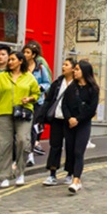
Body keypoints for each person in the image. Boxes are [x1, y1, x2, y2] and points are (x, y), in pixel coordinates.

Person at [0, 49, 40, 188]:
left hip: (23, 112)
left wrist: (30, 98)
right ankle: (4, 175)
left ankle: (20, 172)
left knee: (22, 140)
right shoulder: (2, 77)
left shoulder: (29, 77)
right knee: (2, 145)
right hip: (2, 113)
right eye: (9, 60)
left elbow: (36, 94)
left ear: (21, 61)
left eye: (12, 59)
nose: (9, 62)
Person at [61, 60, 99, 193]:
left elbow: (91, 109)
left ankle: (76, 180)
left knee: (78, 151)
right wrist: (69, 118)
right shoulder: (71, 87)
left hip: (83, 124)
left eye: (77, 69)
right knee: (70, 151)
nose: (74, 71)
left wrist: (78, 119)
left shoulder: (93, 89)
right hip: (70, 123)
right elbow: (64, 104)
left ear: (84, 71)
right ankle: (72, 174)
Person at [40, 57, 76, 186]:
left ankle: (69, 174)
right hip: (57, 119)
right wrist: (43, 116)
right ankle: (52, 174)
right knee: (55, 146)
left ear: (73, 68)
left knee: (70, 147)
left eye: (66, 65)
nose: (63, 67)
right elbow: (49, 100)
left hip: (70, 120)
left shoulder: (77, 84)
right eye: (63, 64)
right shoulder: (57, 83)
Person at [22, 42, 52, 163]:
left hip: (37, 102)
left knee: (32, 127)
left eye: (28, 52)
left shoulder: (40, 67)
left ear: (34, 55)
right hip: (22, 101)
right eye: (24, 52)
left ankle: (29, 154)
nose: (25, 54)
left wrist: (40, 87)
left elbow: (47, 82)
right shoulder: (20, 67)